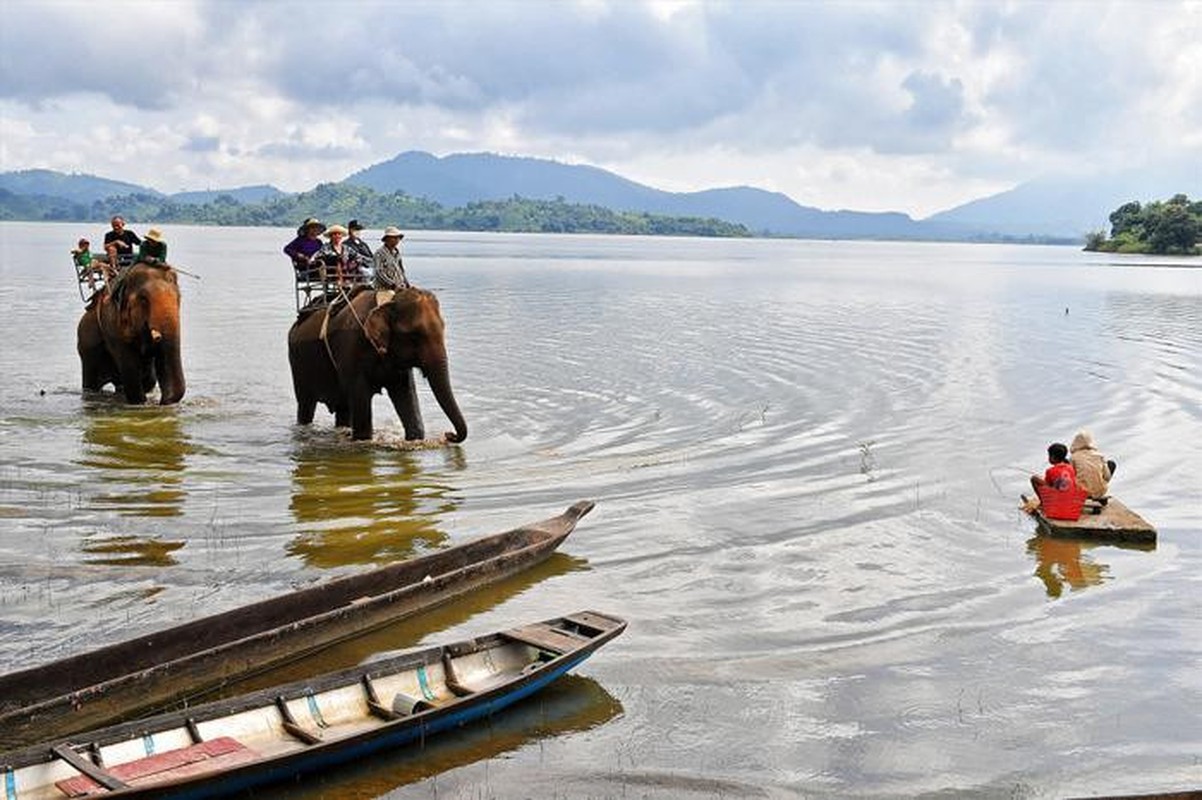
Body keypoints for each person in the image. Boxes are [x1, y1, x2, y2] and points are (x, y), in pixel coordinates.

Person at [1069, 430, 1116, 500]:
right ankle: (1097, 489)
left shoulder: (1073, 457)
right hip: (1100, 492)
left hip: (1081, 493)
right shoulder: (1099, 456)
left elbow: (1070, 476)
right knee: (1111, 464)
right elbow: (1107, 476)